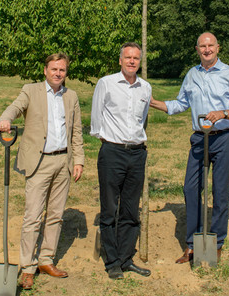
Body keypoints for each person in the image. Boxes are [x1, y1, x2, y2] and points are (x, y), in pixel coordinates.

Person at [150, 32, 229, 264]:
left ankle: (216, 243)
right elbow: (181, 103)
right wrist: (153, 102)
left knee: (220, 192)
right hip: (199, 138)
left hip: (224, 138)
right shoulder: (191, 75)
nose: (207, 49)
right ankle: (192, 244)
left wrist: (222, 113)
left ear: (218, 47)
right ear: (197, 49)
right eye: (202, 46)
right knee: (191, 189)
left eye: (210, 45)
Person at [0, 53, 84, 289]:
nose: (58, 73)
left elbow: (76, 131)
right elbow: (16, 107)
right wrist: (5, 119)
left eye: (62, 70)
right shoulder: (31, 90)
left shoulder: (71, 96)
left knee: (55, 215)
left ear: (66, 73)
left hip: (63, 161)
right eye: (54, 69)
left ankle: (46, 260)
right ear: (45, 70)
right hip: (39, 162)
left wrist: (79, 160)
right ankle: (27, 267)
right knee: (33, 216)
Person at [90, 42, 152, 280]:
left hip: (137, 153)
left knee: (130, 209)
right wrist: (109, 142)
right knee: (109, 210)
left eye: (136, 58)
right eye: (128, 57)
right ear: (120, 60)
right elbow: (96, 119)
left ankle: (126, 258)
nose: (132, 61)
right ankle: (112, 261)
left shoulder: (145, 88)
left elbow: (142, 119)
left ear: (140, 61)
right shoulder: (106, 83)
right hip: (112, 152)